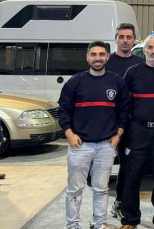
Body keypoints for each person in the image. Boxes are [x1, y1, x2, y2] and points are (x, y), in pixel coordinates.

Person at [58, 41, 130, 229]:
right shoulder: (75, 82)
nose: (97, 58)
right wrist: (69, 134)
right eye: (93, 55)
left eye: (101, 54)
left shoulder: (117, 82)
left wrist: (118, 134)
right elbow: (63, 110)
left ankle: (100, 224)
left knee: (101, 189)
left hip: (106, 145)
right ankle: (72, 225)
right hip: (80, 145)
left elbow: (124, 110)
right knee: (75, 190)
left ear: (107, 57)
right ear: (87, 57)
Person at [119, 34, 154, 229]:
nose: (153, 51)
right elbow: (124, 104)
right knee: (132, 177)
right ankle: (130, 220)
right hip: (137, 132)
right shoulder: (132, 73)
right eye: (149, 47)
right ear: (143, 51)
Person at [106, 22, 143, 219]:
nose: (125, 40)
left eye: (129, 37)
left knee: (127, 167)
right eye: (122, 37)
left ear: (134, 40)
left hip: (130, 126)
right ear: (116, 40)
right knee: (101, 168)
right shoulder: (107, 62)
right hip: (106, 125)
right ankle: (99, 210)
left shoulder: (139, 64)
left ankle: (121, 202)